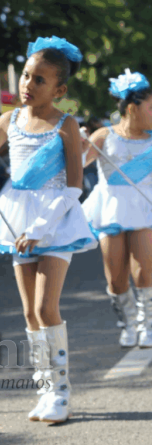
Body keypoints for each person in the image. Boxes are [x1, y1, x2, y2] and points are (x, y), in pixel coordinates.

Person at [0, 36, 97, 424]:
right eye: (26, 75)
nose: (28, 84)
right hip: (16, 221)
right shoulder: (8, 120)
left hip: (55, 224)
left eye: (39, 80)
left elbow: (75, 186)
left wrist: (43, 228)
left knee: (47, 306)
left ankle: (61, 392)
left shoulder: (66, 124)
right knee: (29, 311)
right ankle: (45, 388)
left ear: (59, 89)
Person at [82, 70, 152, 348]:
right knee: (116, 276)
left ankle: (146, 324)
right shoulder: (103, 135)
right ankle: (127, 320)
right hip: (110, 211)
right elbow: (76, 166)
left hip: (145, 211)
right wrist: (72, 143)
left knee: (145, 270)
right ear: (133, 108)